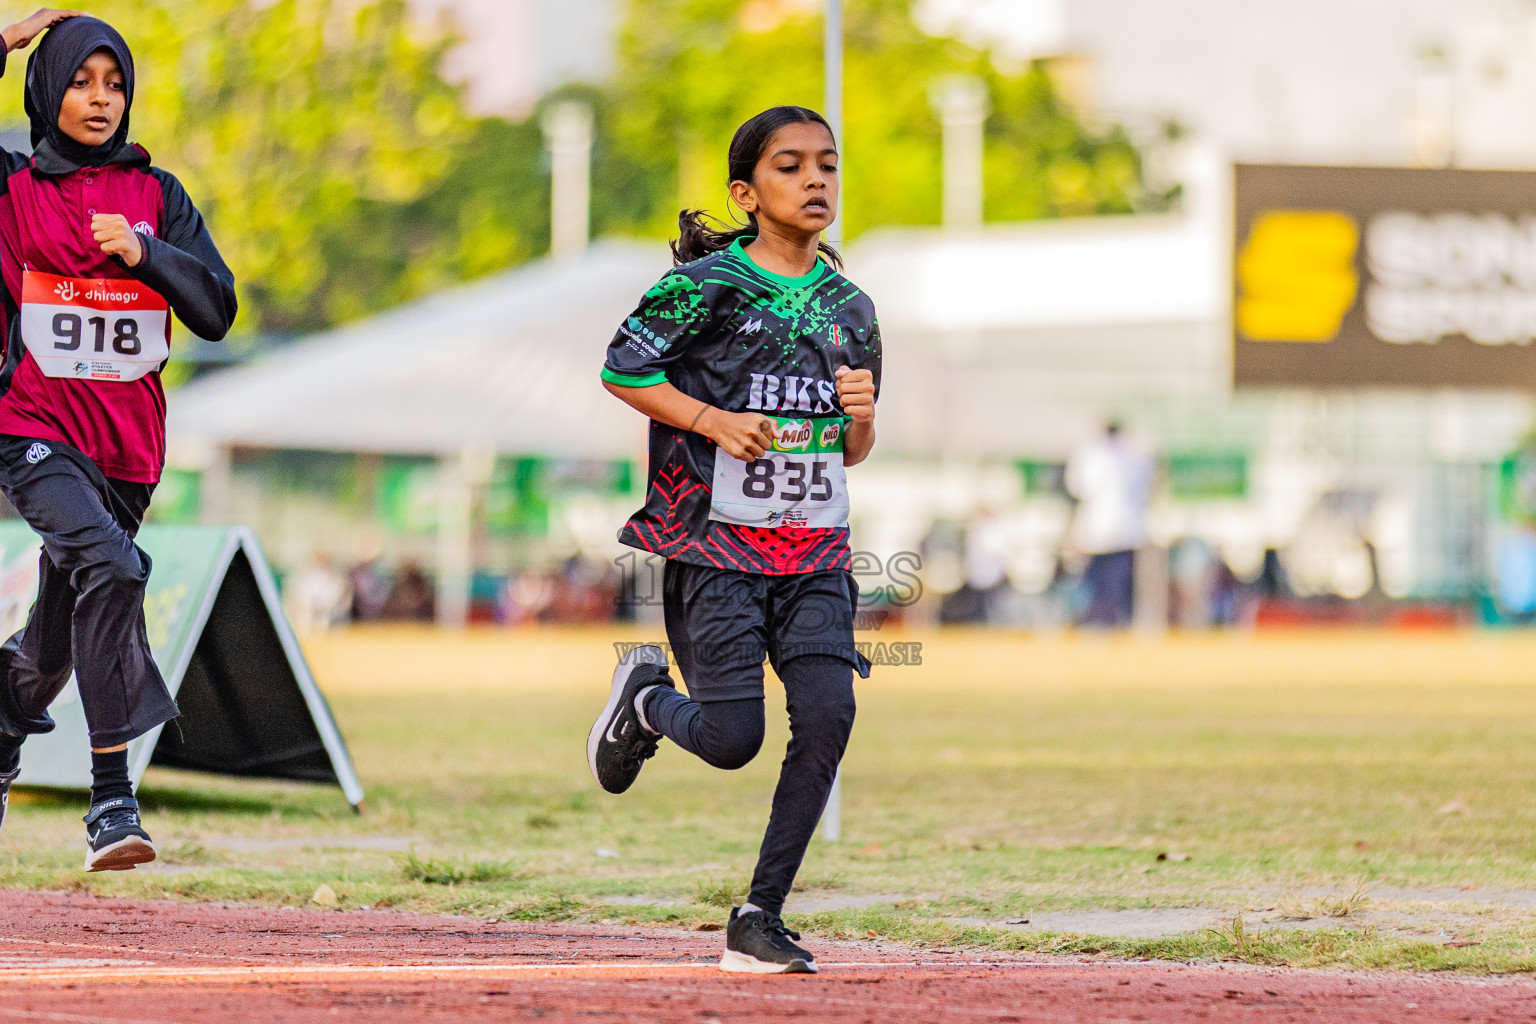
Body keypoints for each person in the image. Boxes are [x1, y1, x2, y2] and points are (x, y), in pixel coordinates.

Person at [586, 106, 880, 975]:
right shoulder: (705, 286)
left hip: (816, 552)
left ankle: (760, 916)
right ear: (747, 194)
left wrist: (860, 422)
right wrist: (712, 419)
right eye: (791, 167)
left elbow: (851, 449)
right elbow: (622, 369)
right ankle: (644, 699)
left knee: (829, 715)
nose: (816, 180)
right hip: (715, 551)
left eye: (827, 164)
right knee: (730, 740)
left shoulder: (851, 307)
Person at [0, 10, 237, 871]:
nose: (100, 100)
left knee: (51, 650)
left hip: (129, 455)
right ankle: (111, 799)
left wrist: (145, 253)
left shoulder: (158, 196)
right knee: (116, 568)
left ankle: (0, 731)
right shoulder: (11, 188)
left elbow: (216, 311)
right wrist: (6, 41)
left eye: (115, 84)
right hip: (29, 429)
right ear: (45, 89)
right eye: (79, 81)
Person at [1064, 422, 1154, 628]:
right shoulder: (1135, 454)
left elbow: (1077, 487)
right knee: (1118, 582)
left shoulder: (1091, 454)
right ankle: (1115, 621)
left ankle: (1099, 621)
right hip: (1125, 530)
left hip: (1100, 530)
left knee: (1098, 581)